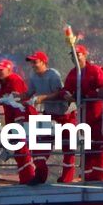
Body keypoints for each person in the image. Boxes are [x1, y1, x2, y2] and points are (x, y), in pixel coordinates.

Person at [51, 45, 103, 182]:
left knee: (102, 144)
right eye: (72, 55)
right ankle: (88, 175)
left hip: (99, 113)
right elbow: (66, 89)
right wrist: (67, 95)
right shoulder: (72, 73)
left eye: (78, 54)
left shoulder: (94, 71)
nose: (75, 57)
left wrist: (85, 95)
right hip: (84, 115)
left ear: (85, 55)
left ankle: (99, 175)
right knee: (87, 146)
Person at [0, 59, 46, 185]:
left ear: (9, 69)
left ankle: (30, 177)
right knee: (18, 149)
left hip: (24, 116)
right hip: (11, 118)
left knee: (23, 147)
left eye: (1, 70)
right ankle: (25, 178)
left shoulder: (15, 80)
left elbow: (13, 99)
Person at [22, 50, 75, 183]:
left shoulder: (53, 75)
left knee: (68, 147)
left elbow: (59, 93)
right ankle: (40, 176)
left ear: (43, 62)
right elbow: (29, 93)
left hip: (64, 115)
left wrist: (43, 98)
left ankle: (66, 178)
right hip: (48, 114)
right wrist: (14, 97)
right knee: (40, 145)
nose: (33, 65)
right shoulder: (33, 76)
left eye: (35, 62)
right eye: (32, 63)